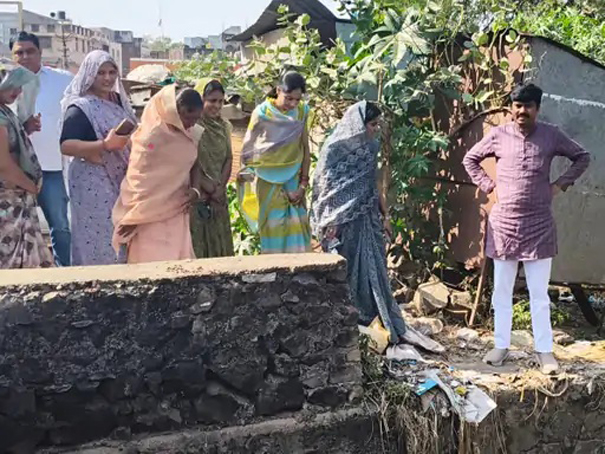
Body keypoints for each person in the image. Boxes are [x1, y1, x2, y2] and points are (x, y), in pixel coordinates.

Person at [463, 83, 590, 374]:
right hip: (504, 225)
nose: (522, 111)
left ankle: (545, 352)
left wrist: (560, 185)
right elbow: (470, 159)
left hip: (539, 224)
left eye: (528, 106)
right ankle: (501, 345)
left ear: (537, 108)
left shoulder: (551, 134)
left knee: (539, 294)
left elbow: (582, 156)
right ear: (511, 108)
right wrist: (489, 186)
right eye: (517, 106)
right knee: (501, 290)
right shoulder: (499, 134)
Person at [312, 101, 444, 360]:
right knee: (348, 270)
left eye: (376, 125)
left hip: (367, 219)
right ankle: (350, 321)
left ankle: (376, 318)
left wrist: (386, 216)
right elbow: (325, 188)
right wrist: (330, 221)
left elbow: (372, 184)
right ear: (358, 124)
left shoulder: (370, 148)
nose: (374, 129)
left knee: (374, 269)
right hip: (342, 224)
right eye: (371, 125)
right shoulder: (334, 149)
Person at [112, 86, 206, 263]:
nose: (191, 124)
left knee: (177, 262)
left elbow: (195, 163)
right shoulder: (152, 135)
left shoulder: (192, 135)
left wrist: (195, 190)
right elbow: (139, 178)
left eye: (196, 119)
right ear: (175, 110)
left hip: (176, 208)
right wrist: (134, 215)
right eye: (187, 117)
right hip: (147, 216)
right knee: (150, 262)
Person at [60, 50, 136, 266]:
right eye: (100, 73)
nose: (107, 78)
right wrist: (105, 145)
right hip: (92, 181)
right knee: (97, 235)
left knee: (119, 233)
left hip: (120, 179)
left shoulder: (118, 101)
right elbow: (66, 145)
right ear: (89, 74)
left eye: (112, 72)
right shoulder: (81, 107)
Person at [10, 31, 73, 266]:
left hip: (52, 167)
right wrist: (23, 127)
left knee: (60, 225)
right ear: (12, 56)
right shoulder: (5, 85)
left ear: (40, 53)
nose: (25, 56)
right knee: (15, 228)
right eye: (19, 52)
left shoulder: (62, 80)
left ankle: (65, 273)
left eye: (30, 51)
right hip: (14, 171)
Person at [238, 71, 312, 254]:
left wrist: (302, 186)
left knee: (297, 230)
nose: (292, 104)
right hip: (267, 180)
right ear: (278, 90)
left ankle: (300, 271)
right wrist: (246, 172)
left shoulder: (302, 112)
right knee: (272, 229)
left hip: (294, 180)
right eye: (288, 98)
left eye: (297, 99)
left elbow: (305, 148)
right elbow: (248, 149)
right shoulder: (262, 113)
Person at [0, 61, 53, 268]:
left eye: (20, 86)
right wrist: (30, 185)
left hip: (15, 197)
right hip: (7, 201)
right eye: (12, 85)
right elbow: (3, 164)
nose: (18, 91)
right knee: (9, 260)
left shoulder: (5, 112)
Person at [190, 78, 234, 258]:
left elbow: (229, 158)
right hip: (198, 195)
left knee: (220, 246)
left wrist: (220, 188)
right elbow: (190, 161)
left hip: (218, 196)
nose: (217, 106)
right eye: (212, 101)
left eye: (221, 101)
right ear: (201, 100)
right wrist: (206, 186)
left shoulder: (224, 127)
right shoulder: (192, 126)